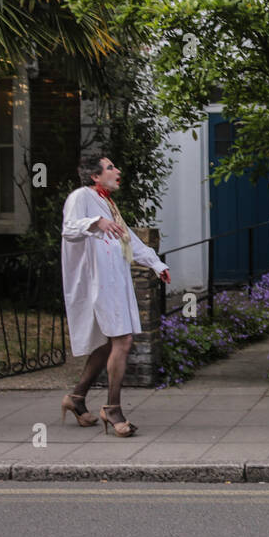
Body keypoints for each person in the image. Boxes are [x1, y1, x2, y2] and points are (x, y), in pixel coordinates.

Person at [60, 155, 171, 437]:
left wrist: (156, 264)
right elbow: (69, 229)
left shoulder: (107, 202)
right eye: (110, 167)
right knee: (122, 340)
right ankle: (112, 408)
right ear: (95, 176)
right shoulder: (81, 197)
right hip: (95, 284)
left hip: (112, 282)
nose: (117, 170)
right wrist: (96, 221)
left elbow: (128, 238)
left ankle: (75, 398)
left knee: (104, 344)